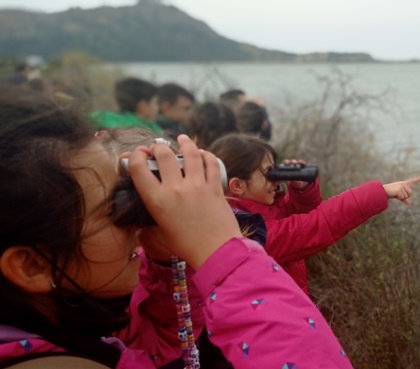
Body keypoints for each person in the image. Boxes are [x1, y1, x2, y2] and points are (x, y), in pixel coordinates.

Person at [0, 88, 354, 368]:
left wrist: (164, 265)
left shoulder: (67, 332)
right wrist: (225, 254)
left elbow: (157, 349)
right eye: (113, 207)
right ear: (32, 266)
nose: (136, 216)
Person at [208, 134, 420, 294]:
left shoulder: (244, 213)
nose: (277, 178)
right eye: (268, 173)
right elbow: (316, 224)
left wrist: (302, 189)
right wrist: (381, 192)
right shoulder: (249, 233)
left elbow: (297, 217)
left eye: (276, 169)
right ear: (237, 186)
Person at [90, 77, 162, 134]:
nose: (158, 108)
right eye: (156, 103)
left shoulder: (100, 119)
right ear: (142, 105)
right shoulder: (147, 131)